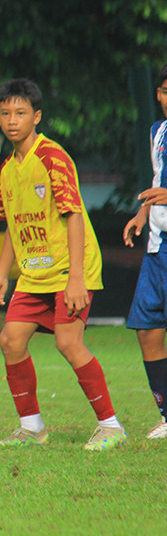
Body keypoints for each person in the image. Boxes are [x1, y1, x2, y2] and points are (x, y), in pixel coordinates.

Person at [0, 78, 125, 451]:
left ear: (37, 117)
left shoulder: (52, 157)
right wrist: (0, 276)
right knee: (11, 340)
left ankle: (111, 426)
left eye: (21, 113)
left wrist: (76, 279)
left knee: (68, 343)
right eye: (6, 113)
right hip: (34, 274)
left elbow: (74, 215)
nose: (13, 120)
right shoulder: (7, 170)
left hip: (68, 269)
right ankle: (32, 429)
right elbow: (14, 226)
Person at [122, 64, 167, 439]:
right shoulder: (157, 132)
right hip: (157, 248)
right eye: (166, 91)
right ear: (158, 94)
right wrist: (142, 212)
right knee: (148, 331)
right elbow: (157, 182)